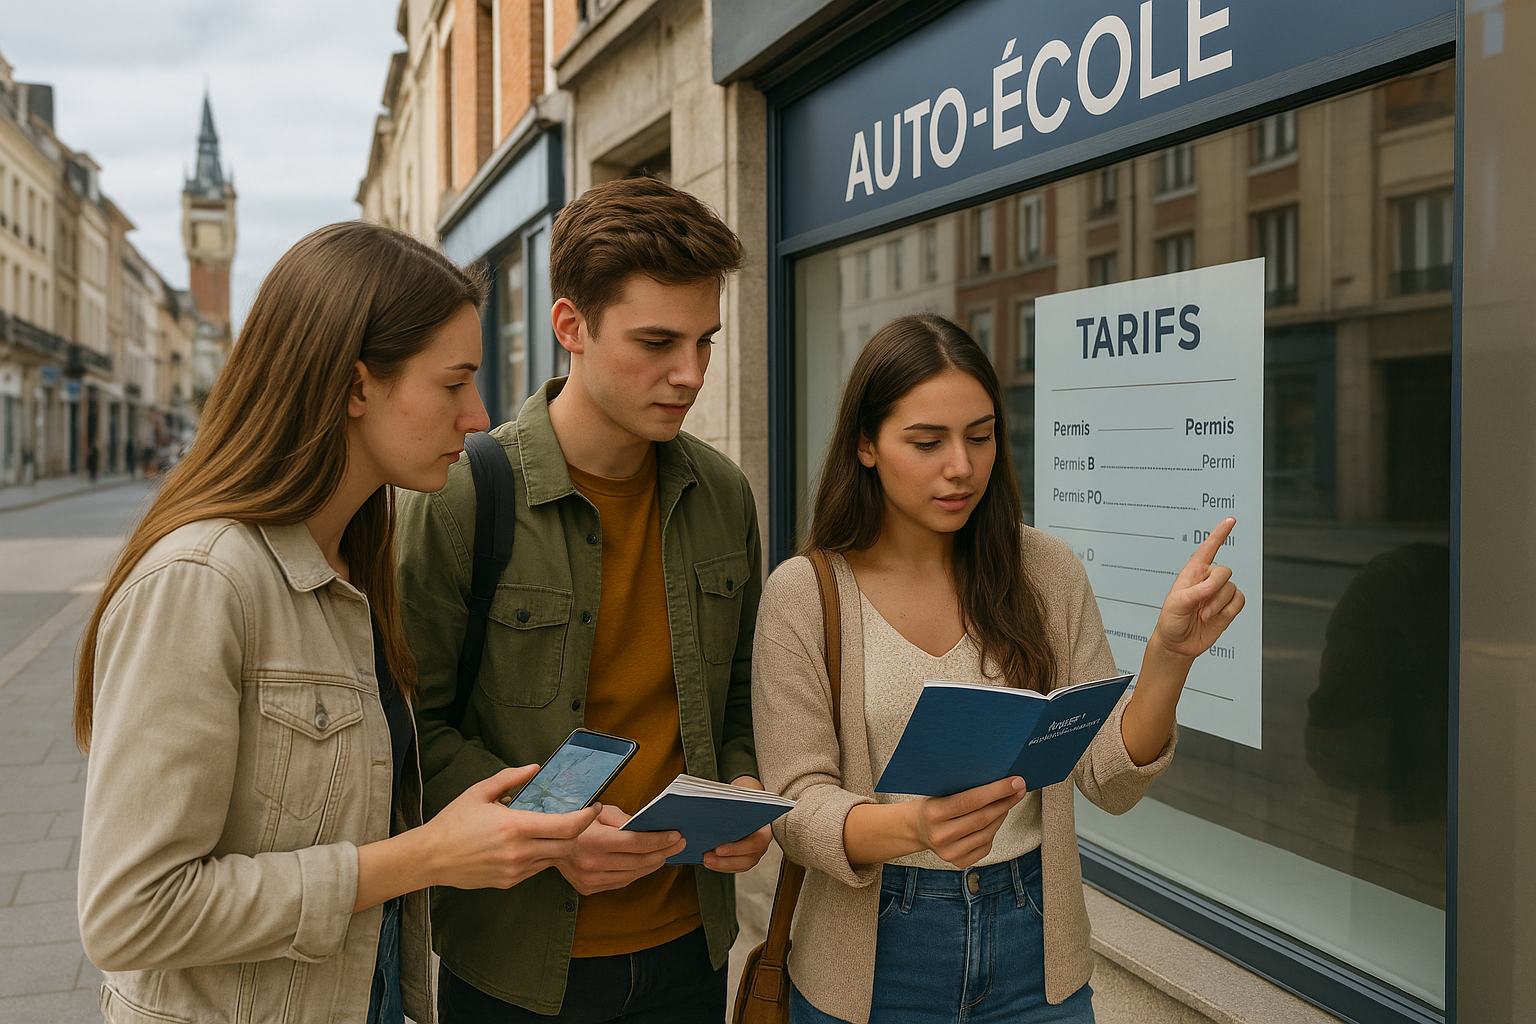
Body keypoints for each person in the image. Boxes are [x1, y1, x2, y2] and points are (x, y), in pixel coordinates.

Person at [75, 222, 601, 1024]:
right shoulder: (203, 579)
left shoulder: (357, 564)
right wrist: (423, 857)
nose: (478, 414)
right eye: (454, 383)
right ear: (357, 387)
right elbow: (131, 910)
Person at [751, 314, 1246, 1024]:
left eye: (980, 437)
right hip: (874, 958)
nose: (961, 466)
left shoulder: (1045, 571)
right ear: (865, 444)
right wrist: (917, 827)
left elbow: (1106, 777)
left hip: (1033, 947)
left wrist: (1168, 660)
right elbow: (797, 805)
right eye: (927, 442)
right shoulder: (806, 593)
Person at [395, 175, 770, 1024]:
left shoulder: (724, 495)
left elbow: (740, 687)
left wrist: (746, 786)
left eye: (705, 342)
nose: (690, 373)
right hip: (518, 958)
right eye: (657, 341)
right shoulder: (462, 495)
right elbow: (413, 724)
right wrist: (547, 826)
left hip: (688, 945)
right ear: (571, 326)